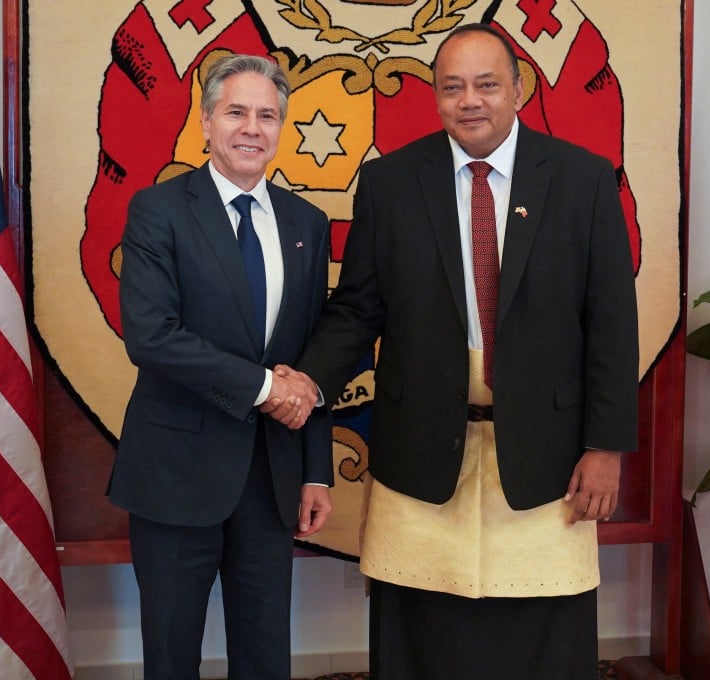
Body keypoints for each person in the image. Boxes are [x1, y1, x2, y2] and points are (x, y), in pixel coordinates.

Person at [266, 23, 639, 678]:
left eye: (487, 84)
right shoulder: (390, 182)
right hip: (422, 454)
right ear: (436, 97)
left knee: (542, 640)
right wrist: (306, 382)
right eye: (452, 87)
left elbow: (610, 322)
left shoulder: (582, 181)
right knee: (424, 639)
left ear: (518, 90)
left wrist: (605, 448)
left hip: (547, 458)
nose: (470, 100)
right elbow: (357, 309)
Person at [107, 54, 334, 680]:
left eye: (267, 115)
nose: (251, 128)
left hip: (271, 477)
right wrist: (264, 388)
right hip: (176, 473)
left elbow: (310, 355)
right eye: (236, 112)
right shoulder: (159, 210)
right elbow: (151, 337)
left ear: (281, 128)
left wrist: (317, 470)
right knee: (172, 654)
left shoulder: (307, 225)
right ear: (206, 121)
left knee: (265, 655)